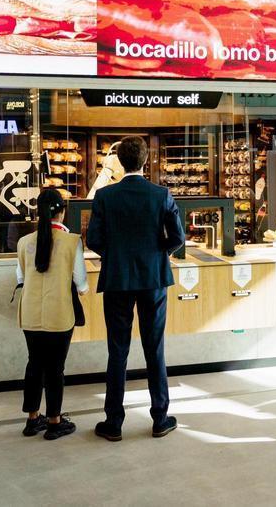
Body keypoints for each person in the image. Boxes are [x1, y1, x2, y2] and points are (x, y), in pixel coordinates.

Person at [87, 136, 186, 442]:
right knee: (154, 349)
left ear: (119, 161)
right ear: (145, 160)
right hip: (153, 278)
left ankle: (114, 422)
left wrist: (115, 255)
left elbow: (93, 240)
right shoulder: (161, 194)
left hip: (117, 279)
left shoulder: (105, 196)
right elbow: (178, 237)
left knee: (117, 350)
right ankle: (160, 418)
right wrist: (157, 253)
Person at [16, 189, 87, 440]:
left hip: (30, 312)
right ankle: (55, 421)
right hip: (59, 313)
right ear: (62, 212)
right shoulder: (72, 241)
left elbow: (21, 277)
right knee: (55, 367)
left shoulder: (24, 242)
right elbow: (81, 282)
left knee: (34, 363)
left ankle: (32, 419)